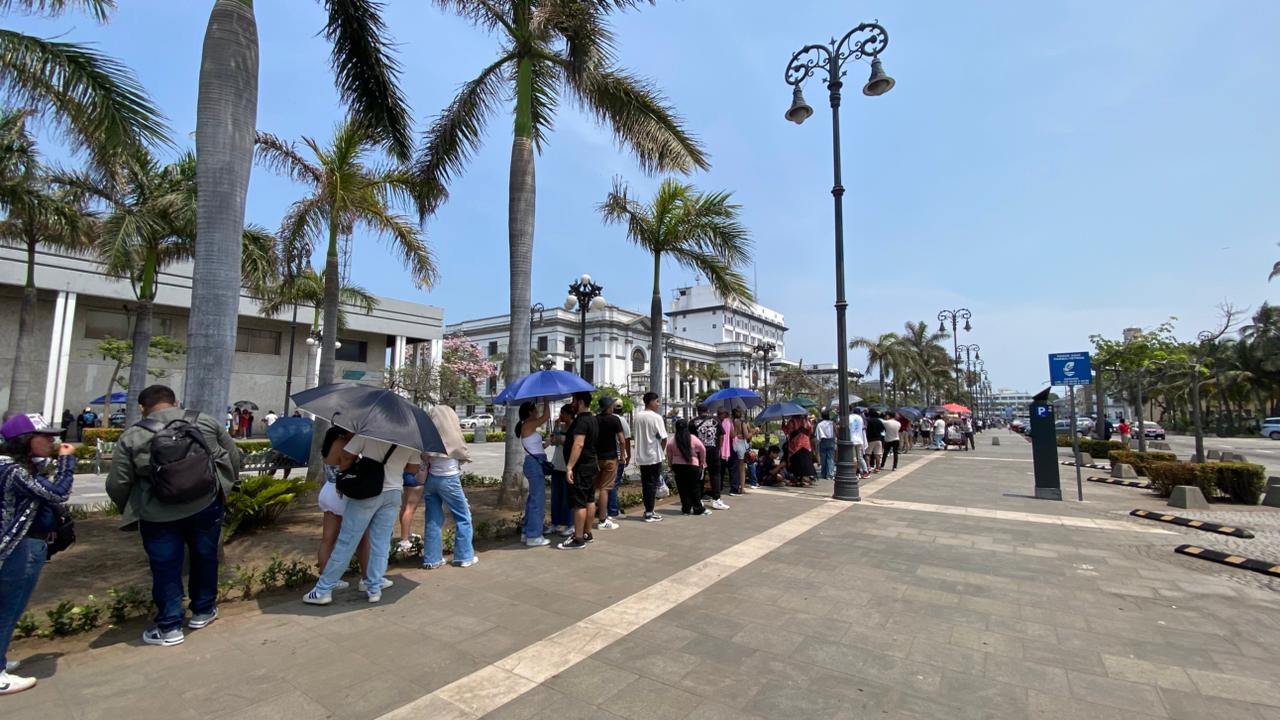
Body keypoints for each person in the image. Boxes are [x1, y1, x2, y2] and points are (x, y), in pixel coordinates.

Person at [106, 385, 238, 646]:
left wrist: (130, 507)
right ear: (175, 402)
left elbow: (118, 482)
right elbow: (232, 455)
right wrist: (226, 486)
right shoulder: (204, 421)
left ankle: (169, 626)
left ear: (142, 408)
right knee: (205, 555)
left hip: (157, 512)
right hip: (205, 502)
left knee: (165, 565)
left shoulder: (132, 436)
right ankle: (203, 611)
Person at [303, 417, 421, 605]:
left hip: (367, 492)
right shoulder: (410, 440)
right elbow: (413, 469)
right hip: (393, 493)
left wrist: (345, 476)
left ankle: (323, 590)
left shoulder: (369, 434)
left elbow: (347, 456)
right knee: (381, 542)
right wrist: (395, 464)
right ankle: (373, 587)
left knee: (347, 540)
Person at [0, 414, 75, 695]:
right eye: (45, 436)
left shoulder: (12, 467)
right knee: (9, 606)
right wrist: (67, 462)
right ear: (25, 440)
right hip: (15, 546)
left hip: (16, 545)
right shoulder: (14, 472)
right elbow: (58, 494)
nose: (52, 441)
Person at [419, 405, 476, 568]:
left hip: (431, 480)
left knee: (432, 519)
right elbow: (463, 456)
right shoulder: (453, 435)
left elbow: (423, 457)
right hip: (450, 480)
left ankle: (432, 559)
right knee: (463, 516)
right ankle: (464, 556)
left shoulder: (428, 437)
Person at [316, 426, 371, 586]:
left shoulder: (330, 442)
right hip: (341, 492)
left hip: (327, 490)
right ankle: (367, 578)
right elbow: (348, 464)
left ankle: (325, 578)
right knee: (363, 538)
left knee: (327, 539)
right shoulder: (344, 444)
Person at [559, 391, 599, 550]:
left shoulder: (581, 422)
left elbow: (579, 444)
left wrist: (569, 467)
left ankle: (578, 538)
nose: (572, 404)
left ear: (580, 402)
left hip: (581, 468)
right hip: (590, 465)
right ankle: (587, 533)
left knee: (579, 503)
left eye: (573, 401)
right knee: (589, 500)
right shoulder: (593, 419)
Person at [518, 400, 552, 547]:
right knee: (537, 500)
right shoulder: (528, 424)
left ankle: (527, 532)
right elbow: (546, 416)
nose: (537, 412)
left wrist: (547, 443)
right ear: (530, 412)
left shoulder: (528, 426)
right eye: (535, 410)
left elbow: (537, 448)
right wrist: (546, 401)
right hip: (534, 465)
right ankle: (534, 536)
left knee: (533, 499)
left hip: (535, 463)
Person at [632, 392, 669, 522]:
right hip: (653, 455)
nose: (658, 404)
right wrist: (661, 451)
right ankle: (649, 512)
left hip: (641, 456)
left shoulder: (637, 416)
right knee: (652, 485)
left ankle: (648, 510)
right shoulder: (656, 417)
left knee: (646, 484)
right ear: (651, 402)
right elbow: (664, 438)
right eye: (657, 401)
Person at [593, 397, 626, 531]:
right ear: (608, 407)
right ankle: (602, 520)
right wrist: (622, 456)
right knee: (605, 489)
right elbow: (622, 440)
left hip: (596, 458)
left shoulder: (595, 419)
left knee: (594, 488)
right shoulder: (614, 420)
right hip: (610, 458)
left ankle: (588, 516)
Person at [665, 418, 708, 515]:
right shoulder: (693, 438)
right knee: (695, 487)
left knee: (682, 488)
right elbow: (702, 449)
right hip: (692, 465)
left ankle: (686, 509)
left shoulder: (672, 440)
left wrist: (671, 466)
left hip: (677, 466)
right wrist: (702, 461)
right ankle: (698, 509)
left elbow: (669, 455)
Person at [690, 404, 728, 510]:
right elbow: (721, 436)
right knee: (715, 475)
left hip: (699, 454)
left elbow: (690, 439)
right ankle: (716, 500)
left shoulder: (692, 422)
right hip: (713, 452)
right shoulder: (715, 420)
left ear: (698, 411)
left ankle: (699, 499)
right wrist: (718, 449)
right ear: (707, 410)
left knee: (700, 476)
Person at [547, 404, 574, 536]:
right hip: (557, 465)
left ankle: (570, 524)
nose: (560, 416)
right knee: (556, 497)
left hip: (567, 467)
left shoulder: (575, 428)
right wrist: (556, 428)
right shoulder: (560, 427)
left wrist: (560, 440)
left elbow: (572, 444)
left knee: (567, 498)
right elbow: (553, 441)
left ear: (569, 415)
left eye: (563, 413)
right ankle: (555, 523)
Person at [606, 398, 631, 520]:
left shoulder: (605, 418)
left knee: (606, 485)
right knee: (614, 485)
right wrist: (627, 455)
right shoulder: (622, 421)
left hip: (605, 456)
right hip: (617, 456)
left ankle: (606, 510)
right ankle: (612, 511)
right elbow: (625, 440)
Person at [782, 413, 815, 487]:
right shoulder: (806, 420)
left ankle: (799, 478)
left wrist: (783, 425)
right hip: (805, 443)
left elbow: (787, 431)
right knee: (806, 461)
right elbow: (811, 430)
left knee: (796, 461)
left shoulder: (792, 421)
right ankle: (805, 478)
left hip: (795, 444)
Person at [848, 407, 869, 478]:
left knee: (854, 458)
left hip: (852, 440)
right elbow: (863, 427)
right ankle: (865, 471)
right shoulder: (860, 418)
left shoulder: (849, 417)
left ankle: (856, 472)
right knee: (860, 457)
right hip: (859, 439)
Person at [815, 410, 836, 480]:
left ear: (822, 416)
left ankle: (823, 473)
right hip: (831, 440)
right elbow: (836, 431)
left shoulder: (819, 424)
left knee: (823, 458)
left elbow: (817, 435)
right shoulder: (832, 423)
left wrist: (817, 443)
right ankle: (829, 474)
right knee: (830, 458)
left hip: (823, 441)